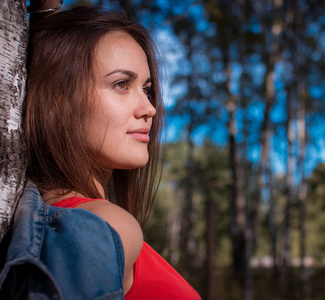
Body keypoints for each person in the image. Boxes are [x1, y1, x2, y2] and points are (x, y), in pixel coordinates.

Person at [0, 2, 201, 299]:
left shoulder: (62, 221)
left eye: (146, 89)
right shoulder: (107, 225)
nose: (149, 108)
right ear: (57, 102)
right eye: (121, 84)